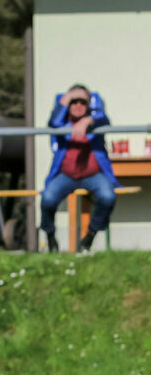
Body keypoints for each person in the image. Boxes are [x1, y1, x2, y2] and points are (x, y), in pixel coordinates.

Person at [41, 84, 118, 253]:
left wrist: (88, 121)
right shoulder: (61, 124)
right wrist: (66, 98)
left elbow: (105, 119)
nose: (77, 105)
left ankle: (90, 236)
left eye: (82, 102)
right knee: (47, 199)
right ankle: (50, 236)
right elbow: (52, 123)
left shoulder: (96, 122)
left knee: (108, 196)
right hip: (66, 175)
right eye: (73, 101)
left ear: (89, 105)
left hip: (93, 175)